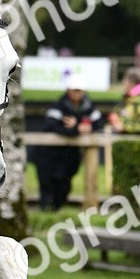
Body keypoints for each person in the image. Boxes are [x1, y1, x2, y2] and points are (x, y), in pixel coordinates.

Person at [31, 73, 105, 210]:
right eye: (74, 90)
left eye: (79, 90)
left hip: (70, 156)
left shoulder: (89, 107)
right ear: (68, 90)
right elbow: (51, 126)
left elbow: (98, 122)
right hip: (48, 155)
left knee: (64, 185)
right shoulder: (58, 107)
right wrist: (78, 128)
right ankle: (45, 211)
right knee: (47, 184)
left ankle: (57, 209)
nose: (77, 93)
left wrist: (84, 127)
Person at [107, 69, 140, 136]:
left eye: (125, 80)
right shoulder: (128, 98)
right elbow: (122, 113)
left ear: (130, 82)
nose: (123, 83)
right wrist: (115, 118)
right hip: (128, 141)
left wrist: (124, 127)